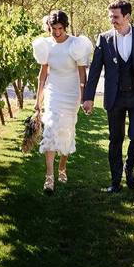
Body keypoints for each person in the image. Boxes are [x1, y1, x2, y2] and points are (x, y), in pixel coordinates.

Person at [82, 0, 134, 192]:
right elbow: (94, 70)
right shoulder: (104, 38)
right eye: (110, 17)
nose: (112, 21)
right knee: (115, 139)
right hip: (114, 97)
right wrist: (88, 97)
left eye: (115, 17)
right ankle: (115, 182)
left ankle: (130, 167)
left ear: (127, 16)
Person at [32, 10, 93, 193]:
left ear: (65, 27)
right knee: (50, 129)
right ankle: (49, 178)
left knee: (66, 132)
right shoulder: (45, 46)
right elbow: (42, 75)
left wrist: (84, 97)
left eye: (60, 28)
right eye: (53, 28)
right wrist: (38, 100)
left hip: (71, 93)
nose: (57, 32)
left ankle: (62, 168)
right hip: (53, 92)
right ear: (48, 27)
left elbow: (82, 73)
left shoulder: (76, 44)